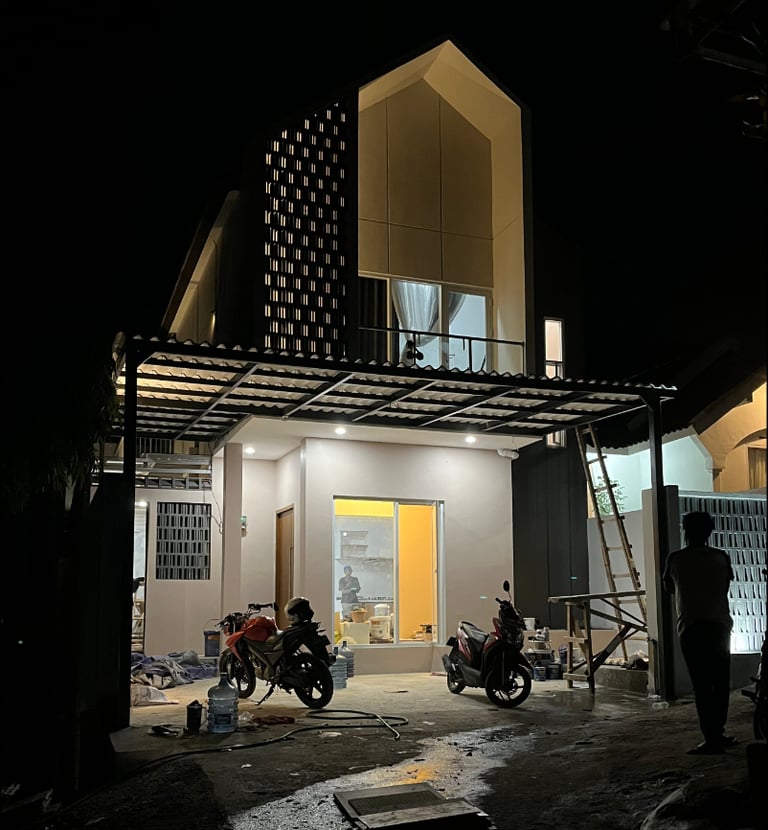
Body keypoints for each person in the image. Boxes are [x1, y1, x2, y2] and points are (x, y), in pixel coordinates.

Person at [662, 510, 735, 755]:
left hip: (691, 627)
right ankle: (719, 732)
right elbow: (725, 587)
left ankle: (710, 737)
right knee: (720, 682)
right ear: (710, 531)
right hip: (720, 625)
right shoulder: (721, 557)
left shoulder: (675, 559)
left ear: (685, 530)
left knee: (701, 684)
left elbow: (669, 588)